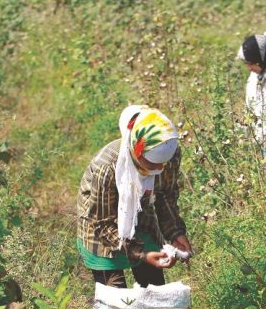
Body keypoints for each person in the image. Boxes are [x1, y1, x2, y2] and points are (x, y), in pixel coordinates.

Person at [77, 105, 191, 289]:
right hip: (101, 230)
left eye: (162, 165)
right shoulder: (107, 167)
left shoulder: (168, 155)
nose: (158, 170)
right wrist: (142, 255)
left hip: (141, 216)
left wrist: (175, 232)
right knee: (114, 304)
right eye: (151, 164)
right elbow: (101, 222)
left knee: (154, 294)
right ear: (136, 151)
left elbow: (165, 196)